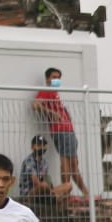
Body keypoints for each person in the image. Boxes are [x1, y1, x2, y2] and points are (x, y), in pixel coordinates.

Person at [31, 67, 87, 198]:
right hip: (62, 130)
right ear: (47, 79)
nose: (56, 80)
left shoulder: (54, 93)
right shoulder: (48, 91)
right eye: (54, 77)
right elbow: (35, 105)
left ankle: (83, 193)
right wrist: (52, 113)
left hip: (66, 130)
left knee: (73, 163)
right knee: (68, 162)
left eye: (58, 78)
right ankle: (69, 191)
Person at [18, 134, 72, 215]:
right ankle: (52, 197)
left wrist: (50, 191)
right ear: (32, 147)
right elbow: (36, 182)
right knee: (43, 186)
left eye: (43, 145)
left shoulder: (44, 163)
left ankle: (52, 198)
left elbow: (45, 180)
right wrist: (50, 191)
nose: (41, 148)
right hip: (29, 193)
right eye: (39, 145)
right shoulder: (29, 161)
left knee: (68, 185)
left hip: (45, 192)